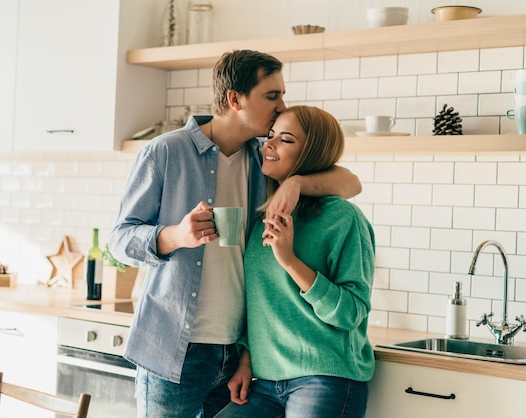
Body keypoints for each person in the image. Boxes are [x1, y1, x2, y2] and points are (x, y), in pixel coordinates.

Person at [108, 50, 362, 418]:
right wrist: (176, 235)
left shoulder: (264, 160)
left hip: (238, 353)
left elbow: (350, 183)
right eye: (272, 96)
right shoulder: (166, 152)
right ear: (234, 99)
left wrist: (297, 184)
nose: (281, 106)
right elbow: (120, 240)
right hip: (174, 347)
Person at [215, 106, 375, 418]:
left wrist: (289, 261)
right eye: (270, 136)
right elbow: (261, 302)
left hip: (324, 377)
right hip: (266, 381)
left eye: (285, 140)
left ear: (311, 153)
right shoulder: (264, 215)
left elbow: (351, 313)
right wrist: (247, 360)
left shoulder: (343, 219)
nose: (269, 145)